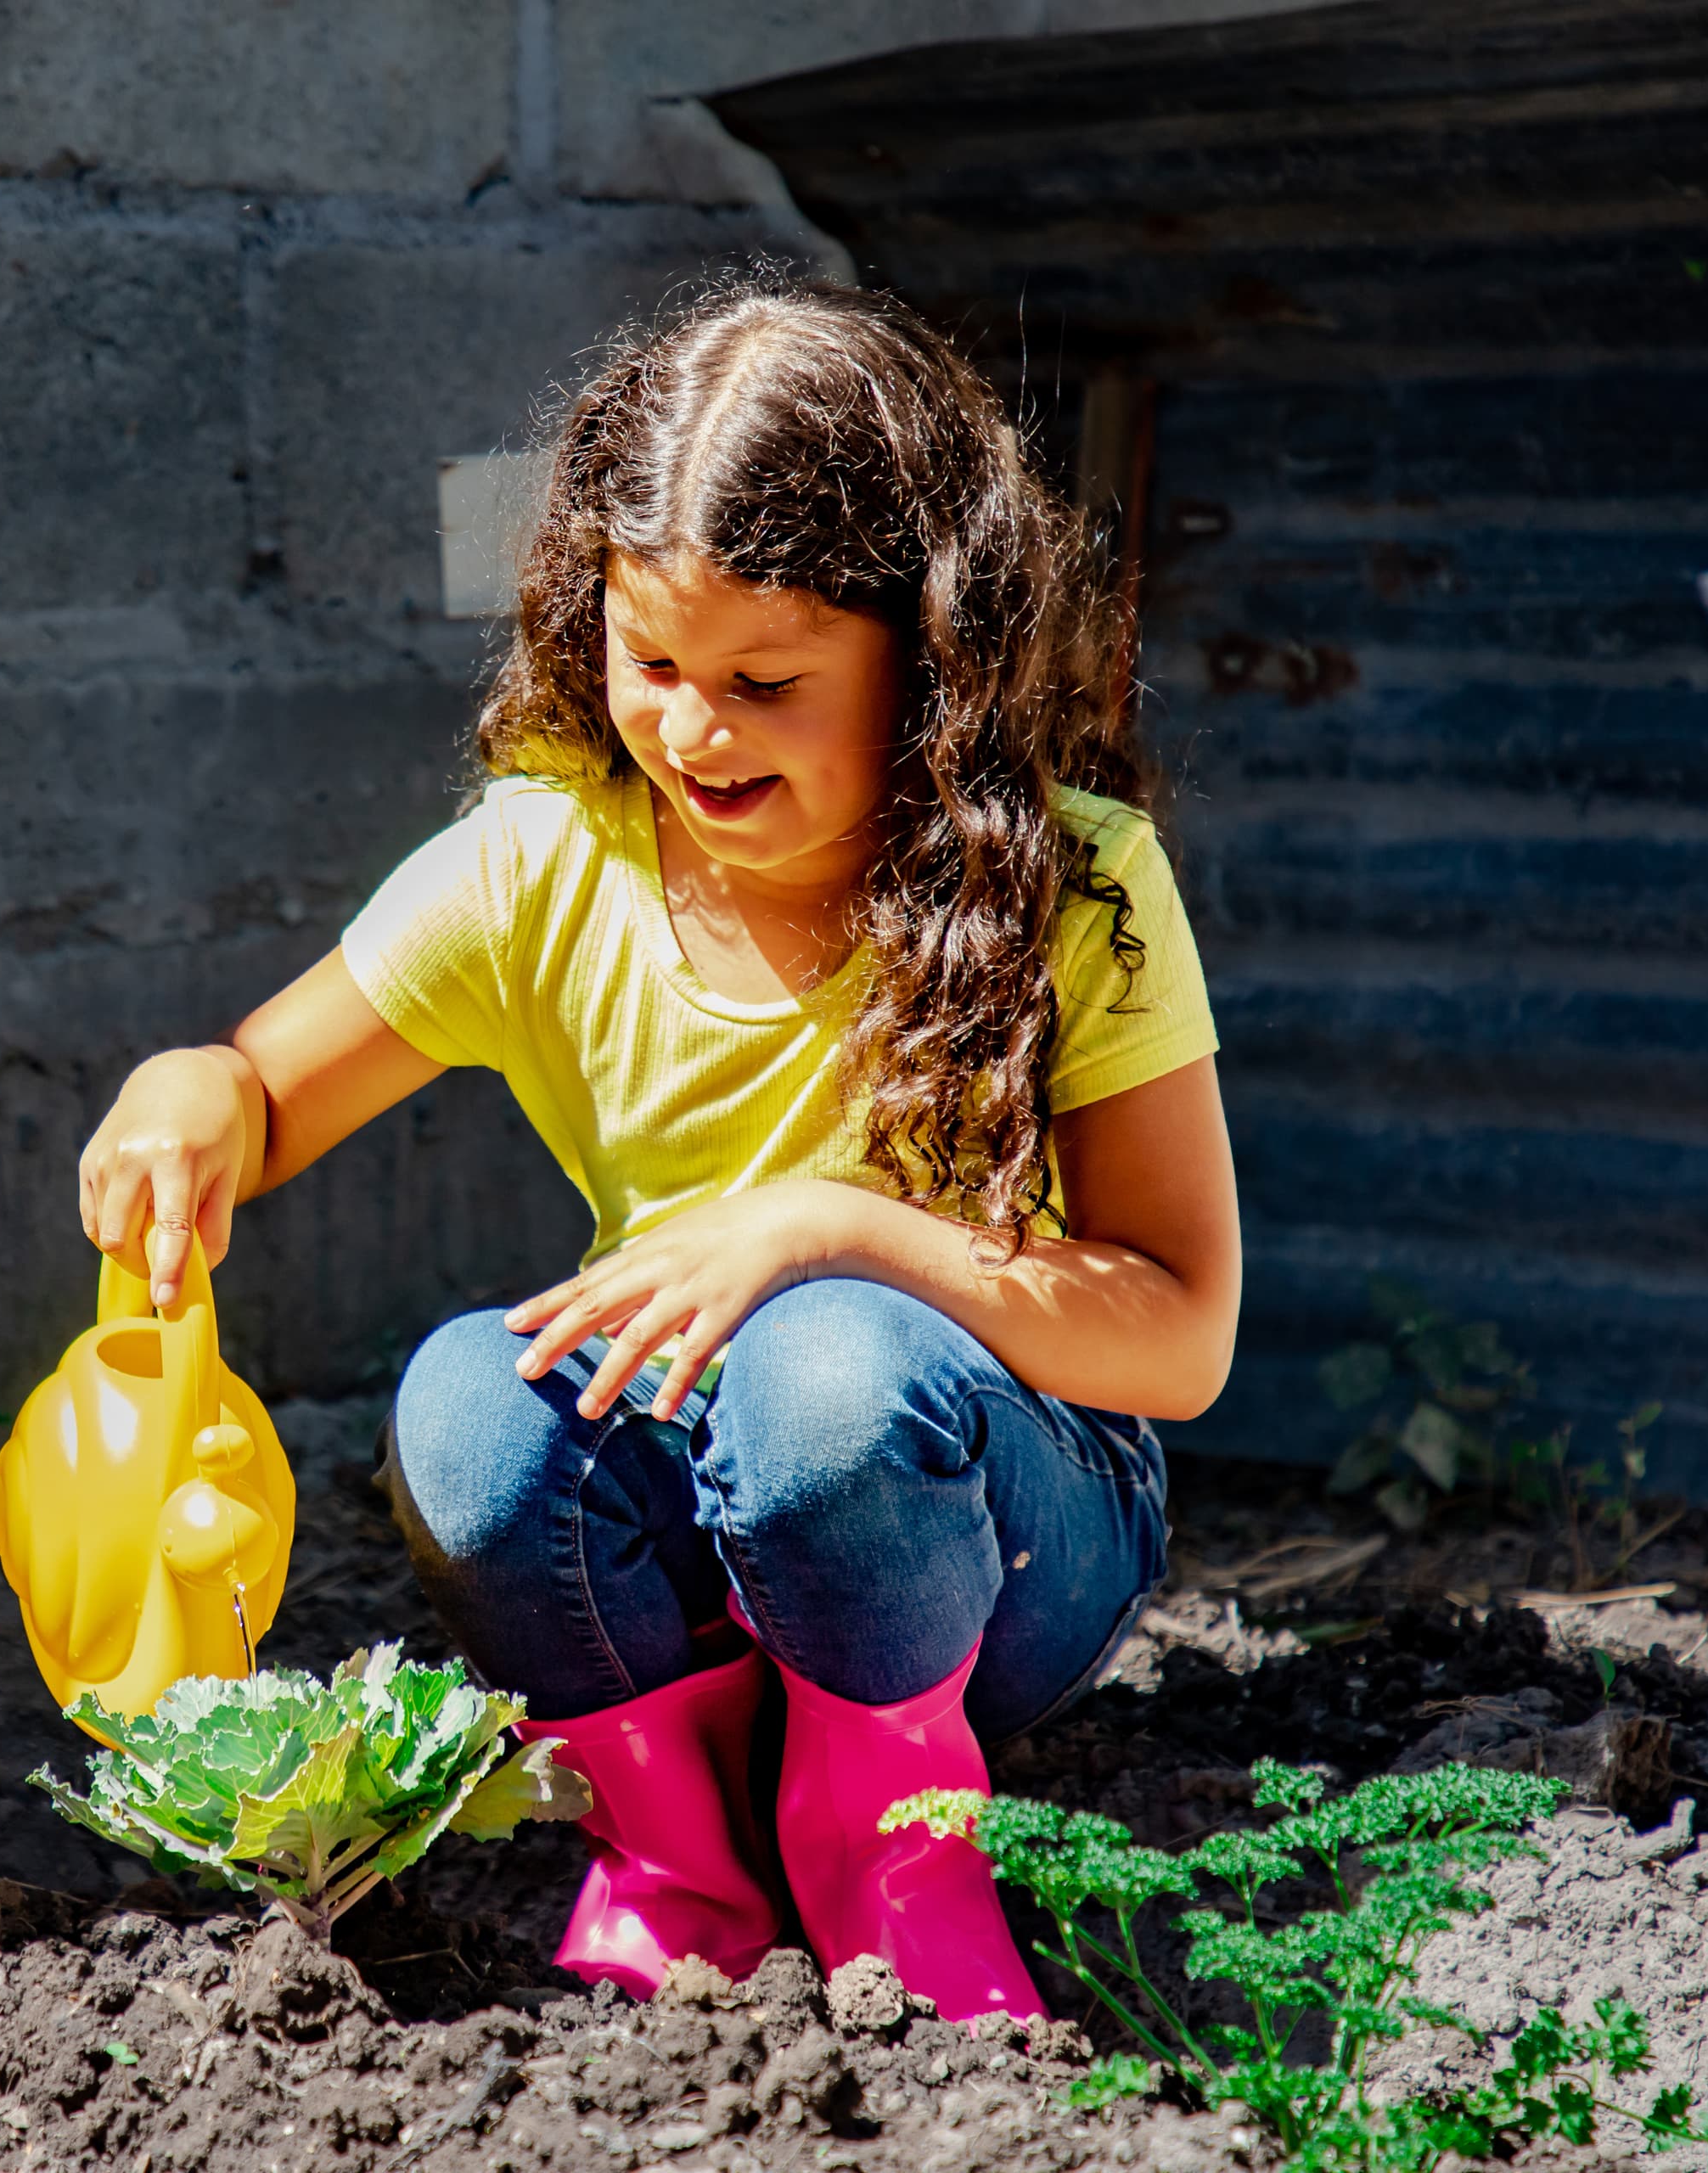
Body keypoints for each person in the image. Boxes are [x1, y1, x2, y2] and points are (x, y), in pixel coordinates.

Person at [72, 280, 1239, 2017]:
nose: (694, 729)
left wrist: (834, 1223)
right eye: (652, 660)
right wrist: (193, 1089)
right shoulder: (545, 864)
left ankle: (891, 1849)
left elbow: (1182, 1331)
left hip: (996, 1541)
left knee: (828, 1373)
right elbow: (264, 1081)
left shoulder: (1070, 886)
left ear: (928, 653)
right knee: (470, 1407)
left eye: (765, 682)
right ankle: (682, 1855)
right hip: (711, 1520)